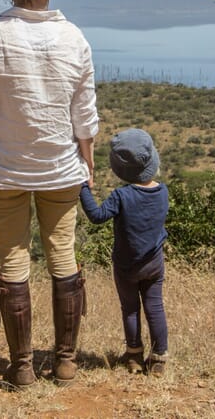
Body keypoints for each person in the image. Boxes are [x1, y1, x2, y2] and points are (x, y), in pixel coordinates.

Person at [0, 0, 99, 387]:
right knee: (63, 258)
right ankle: (65, 361)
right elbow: (84, 116)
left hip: (4, 170)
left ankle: (21, 367)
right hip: (61, 169)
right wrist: (87, 163)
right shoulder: (74, 37)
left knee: (13, 262)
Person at [78, 128, 169, 377]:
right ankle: (159, 359)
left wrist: (83, 187)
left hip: (127, 265)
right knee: (155, 307)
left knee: (130, 309)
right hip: (154, 262)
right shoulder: (162, 192)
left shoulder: (121, 195)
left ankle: (134, 356)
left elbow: (97, 216)